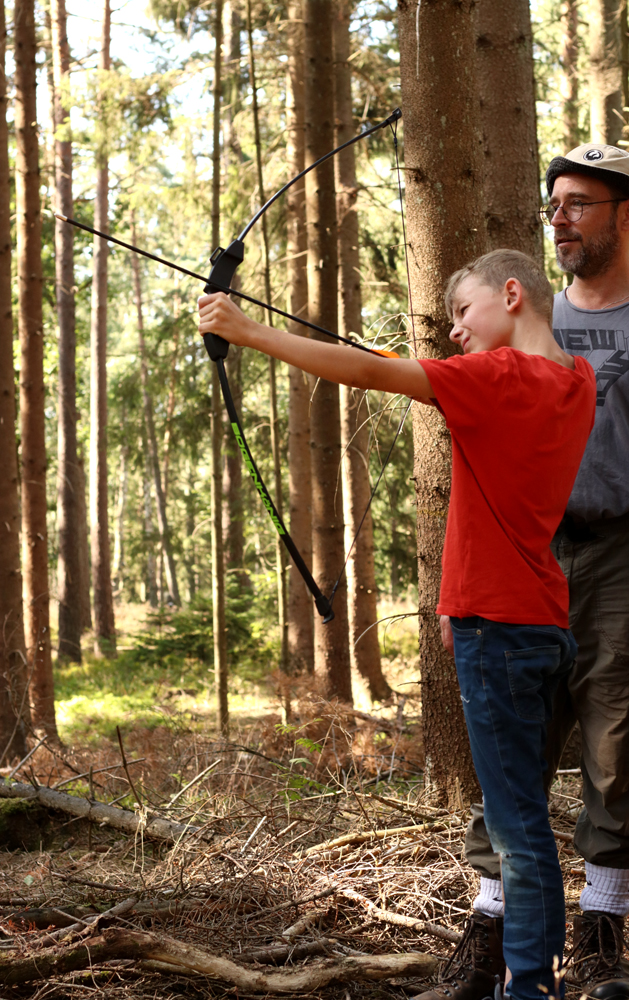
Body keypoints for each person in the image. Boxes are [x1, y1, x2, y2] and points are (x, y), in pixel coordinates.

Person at [198, 248, 596, 1000]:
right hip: (536, 620)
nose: (453, 333)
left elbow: (374, 376)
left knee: (516, 829)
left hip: (499, 629)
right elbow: (423, 382)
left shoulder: (494, 378)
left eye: (462, 312)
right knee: (523, 817)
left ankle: (529, 989)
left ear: (512, 293)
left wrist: (248, 331)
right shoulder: (573, 383)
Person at [432, 143, 629, 1000]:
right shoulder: (532, 322)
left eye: (580, 203)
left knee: (615, 734)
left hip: (620, 547)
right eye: (554, 204)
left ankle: (602, 924)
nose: (560, 219)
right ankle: (493, 923)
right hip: (530, 553)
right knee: (514, 747)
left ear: (624, 213)